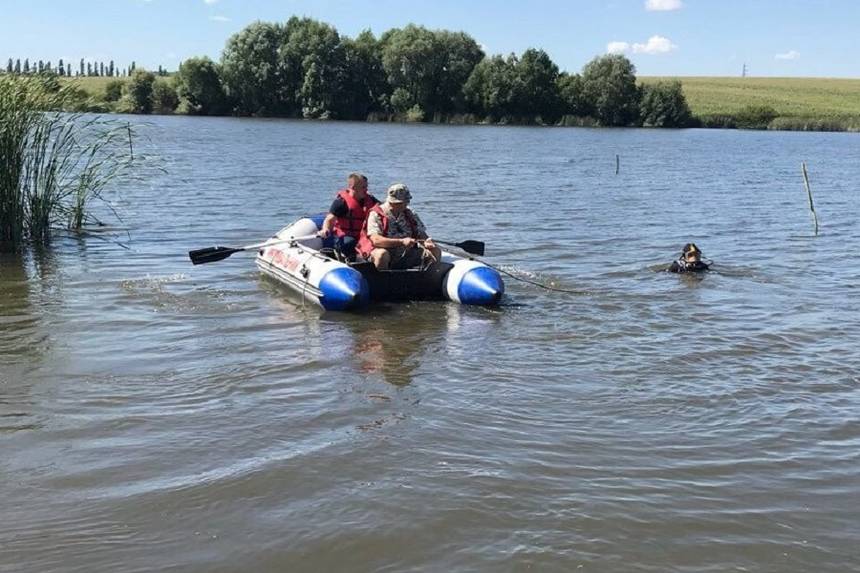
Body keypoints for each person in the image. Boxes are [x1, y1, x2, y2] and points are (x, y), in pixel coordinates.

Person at [356, 183, 441, 270]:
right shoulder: (376, 214)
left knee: (435, 250)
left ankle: (429, 279)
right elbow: (376, 240)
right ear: (393, 202)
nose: (406, 204)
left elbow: (421, 234)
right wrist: (401, 241)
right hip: (385, 252)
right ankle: (381, 280)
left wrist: (426, 242)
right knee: (382, 255)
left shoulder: (409, 213)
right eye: (403, 202)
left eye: (407, 201)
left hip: (406, 253)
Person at [318, 172, 379, 261]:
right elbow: (329, 219)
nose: (366, 190)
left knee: (375, 241)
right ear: (353, 187)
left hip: (363, 235)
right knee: (349, 242)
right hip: (345, 237)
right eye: (363, 187)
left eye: (366, 187)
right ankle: (347, 258)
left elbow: (382, 209)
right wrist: (325, 229)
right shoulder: (341, 202)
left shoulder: (370, 199)